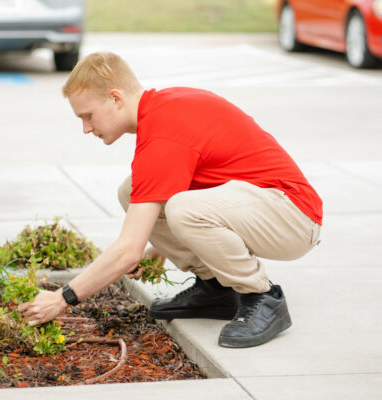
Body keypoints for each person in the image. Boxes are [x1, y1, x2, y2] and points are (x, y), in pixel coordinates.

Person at [18, 51, 322, 348]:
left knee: (182, 209)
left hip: (293, 215)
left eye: (88, 116)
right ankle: (216, 289)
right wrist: (160, 244)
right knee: (133, 190)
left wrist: (61, 298)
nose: (85, 128)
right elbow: (190, 181)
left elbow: (127, 252)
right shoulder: (164, 108)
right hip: (264, 208)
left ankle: (263, 297)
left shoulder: (162, 135)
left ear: (115, 98)